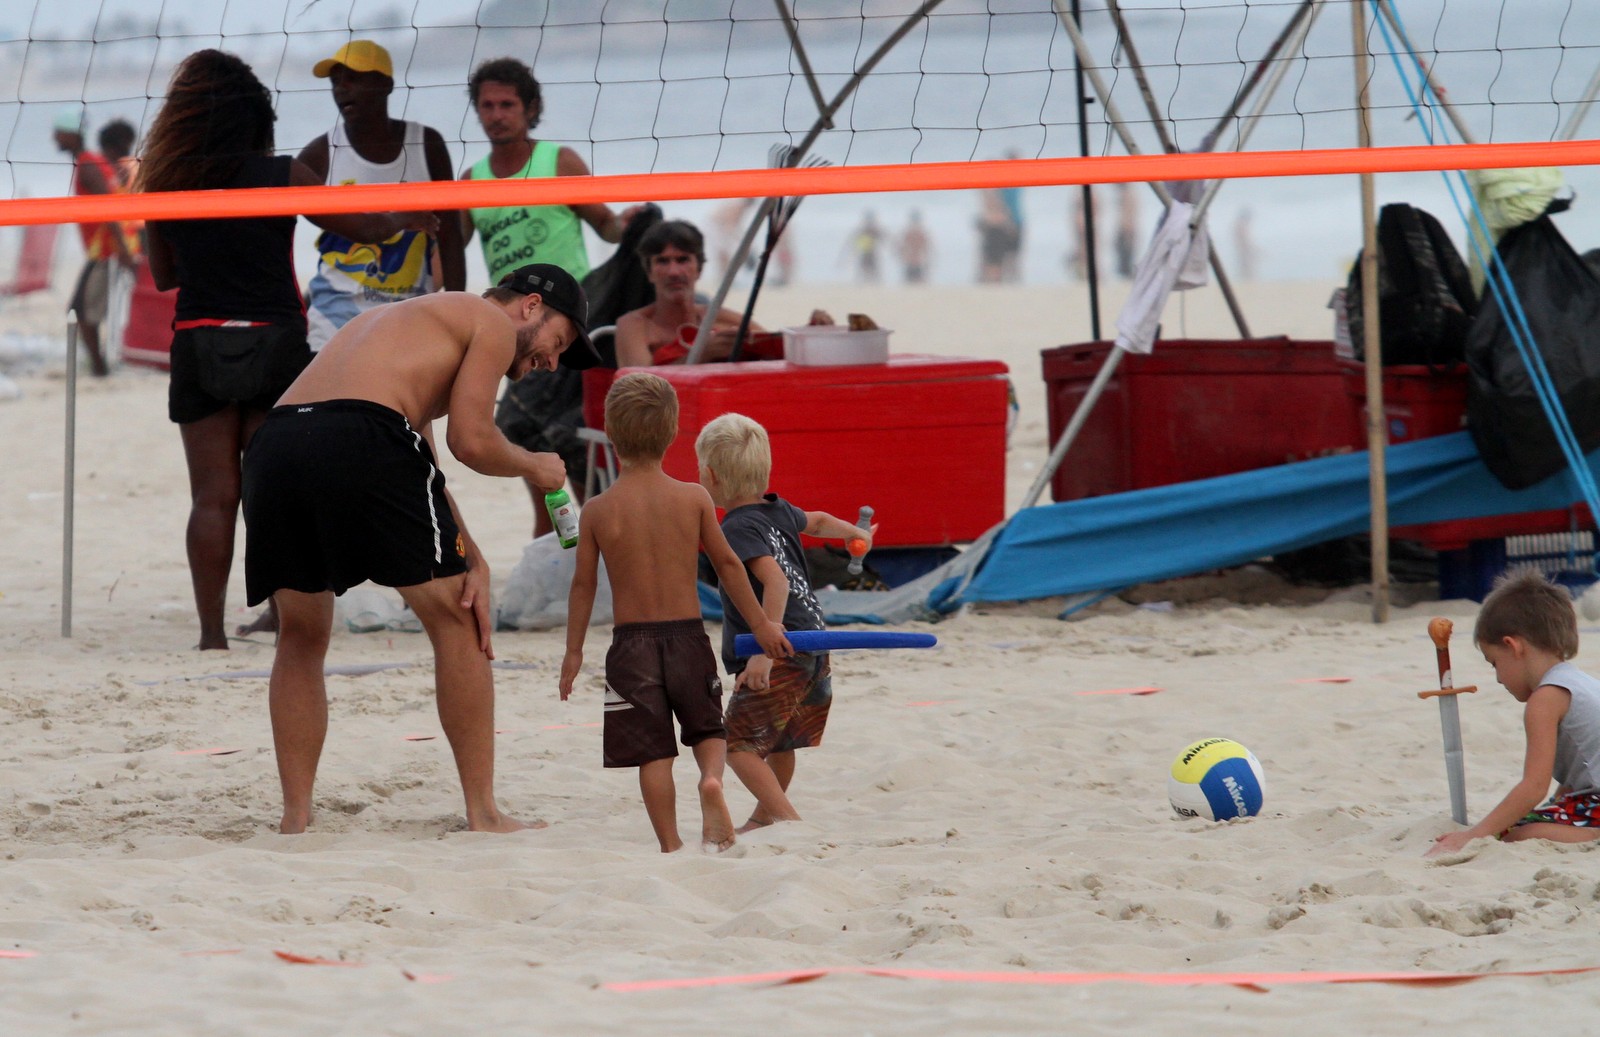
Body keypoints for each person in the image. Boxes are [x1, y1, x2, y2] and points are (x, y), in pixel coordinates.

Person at [242, 263, 598, 834]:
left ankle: (295, 818)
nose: (551, 363)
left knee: (302, 634)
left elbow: (424, 465)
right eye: (557, 343)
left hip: (277, 443)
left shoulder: (408, 326)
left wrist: (474, 558)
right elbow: (471, 442)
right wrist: (539, 467)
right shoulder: (490, 320)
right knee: (459, 623)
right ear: (530, 306)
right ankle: (483, 812)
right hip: (361, 434)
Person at [139, 48, 437, 651]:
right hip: (273, 340)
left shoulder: (166, 177)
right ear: (256, 116)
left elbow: (165, 275)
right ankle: (280, 616)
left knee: (213, 495)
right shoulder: (283, 174)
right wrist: (416, 214)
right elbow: (365, 226)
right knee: (269, 490)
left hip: (200, 337)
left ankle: (210, 635)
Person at [559, 372, 792, 853]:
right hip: (687, 638)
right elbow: (729, 566)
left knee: (653, 753)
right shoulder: (693, 497)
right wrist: (763, 624)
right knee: (708, 729)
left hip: (631, 647)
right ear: (672, 433)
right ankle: (711, 781)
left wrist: (573, 650)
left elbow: (582, 585)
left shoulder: (599, 510)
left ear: (611, 434)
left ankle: (671, 845)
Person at [460, 56, 644, 538]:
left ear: (529, 109)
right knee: (529, 433)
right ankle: (554, 538)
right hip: (513, 326)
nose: (497, 114)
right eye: (487, 105)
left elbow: (604, 225)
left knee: (548, 430)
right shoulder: (471, 181)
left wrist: (628, 222)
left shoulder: (557, 161)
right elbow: (447, 250)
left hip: (568, 318)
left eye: (507, 104)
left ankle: (598, 533)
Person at [695, 412, 872, 832]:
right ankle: (765, 817)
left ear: (713, 476)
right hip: (814, 640)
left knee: (737, 745)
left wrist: (762, 652)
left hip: (780, 647)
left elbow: (775, 582)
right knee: (780, 739)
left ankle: (789, 820)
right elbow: (820, 520)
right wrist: (854, 534)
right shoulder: (779, 510)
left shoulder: (736, 527)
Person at [298, 40, 466, 352]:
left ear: (385, 84)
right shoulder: (320, 153)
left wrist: (459, 315)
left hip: (408, 318)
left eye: (353, 78)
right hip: (334, 322)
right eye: (336, 82)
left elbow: (451, 238)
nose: (342, 89)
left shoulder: (426, 144)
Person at [1427, 571, 1600, 856]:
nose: (1497, 678)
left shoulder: (1545, 699)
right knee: (1517, 822)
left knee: (1519, 834)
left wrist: (1473, 835)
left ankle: (1593, 834)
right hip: (1591, 798)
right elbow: (1580, 770)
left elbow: (1533, 788)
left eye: (1494, 662)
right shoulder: (1581, 682)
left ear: (1513, 646)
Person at [54, 108, 136, 377]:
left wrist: (123, 250)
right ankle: (99, 368)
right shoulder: (92, 161)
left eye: (59, 132)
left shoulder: (89, 164)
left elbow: (108, 208)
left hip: (106, 252)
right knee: (78, 314)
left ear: (73, 135)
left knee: (84, 317)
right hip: (102, 250)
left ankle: (101, 372)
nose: (55, 137)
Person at [898, 209, 932, 284]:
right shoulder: (911, 233)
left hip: (916, 261)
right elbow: (903, 247)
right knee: (912, 281)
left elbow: (925, 248)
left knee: (916, 281)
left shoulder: (919, 233)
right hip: (912, 261)